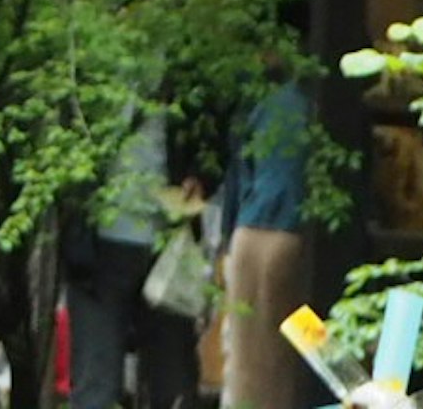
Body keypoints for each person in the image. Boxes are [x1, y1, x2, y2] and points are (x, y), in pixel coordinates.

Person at [62, 110, 199, 409]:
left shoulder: (187, 71)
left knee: (173, 387)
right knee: (95, 386)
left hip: (170, 247)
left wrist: (201, 176)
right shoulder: (81, 73)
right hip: (96, 249)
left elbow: (209, 133)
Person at [219, 59, 314, 409]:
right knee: (285, 363)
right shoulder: (322, 111)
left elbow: (237, 176)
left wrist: (226, 243)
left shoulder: (264, 105)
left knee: (243, 360)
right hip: (291, 236)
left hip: (247, 233)